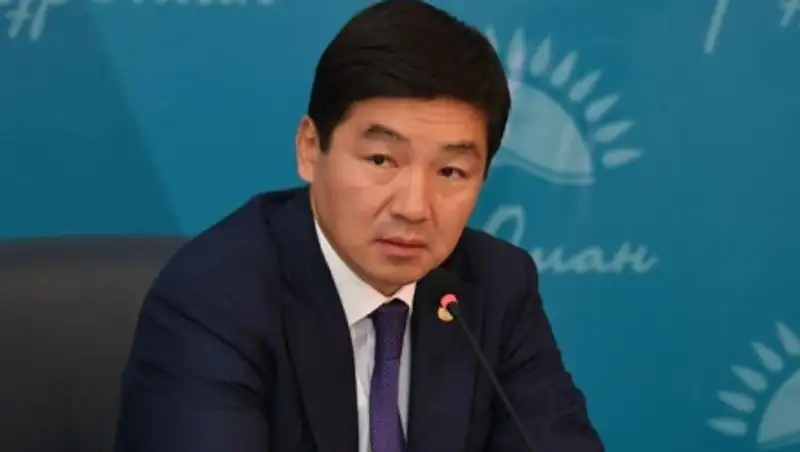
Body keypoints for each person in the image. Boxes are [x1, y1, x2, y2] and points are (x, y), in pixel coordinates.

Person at [113, 1, 605, 451]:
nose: (414, 207)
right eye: (381, 160)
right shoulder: (214, 298)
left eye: (451, 171)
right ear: (310, 148)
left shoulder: (496, 286)